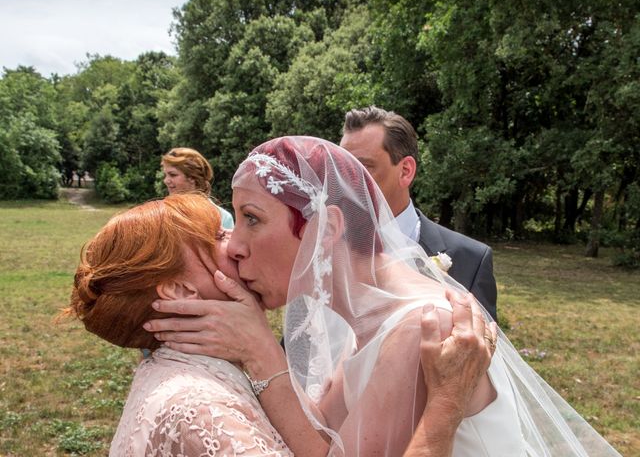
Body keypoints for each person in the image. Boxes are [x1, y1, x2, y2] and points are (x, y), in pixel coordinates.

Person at [147, 136, 620, 456]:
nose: (235, 246)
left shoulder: (422, 326)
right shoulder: (364, 318)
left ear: (327, 228)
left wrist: (259, 349)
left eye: (251, 218)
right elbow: (315, 439)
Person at [63, 193, 291, 456]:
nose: (236, 241)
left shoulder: (166, 367)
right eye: (218, 236)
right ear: (180, 290)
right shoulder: (206, 411)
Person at [341, 106, 497, 319]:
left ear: (405, 171)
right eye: (341, 168)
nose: (347, 182)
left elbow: (485, 350)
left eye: (363, 168)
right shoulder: (327, 250)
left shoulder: (470, 260)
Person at [161, 147, 235, 229]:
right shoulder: (161, 215)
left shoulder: (222, 218)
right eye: (165, 175)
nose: (166, 180)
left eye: (173, 175)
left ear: (192, 177)